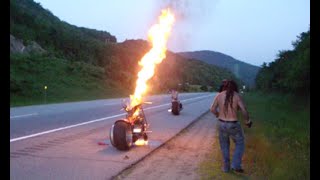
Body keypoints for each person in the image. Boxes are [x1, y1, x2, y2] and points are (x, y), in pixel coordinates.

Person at [210, 80, 252, 173]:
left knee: (224, 146)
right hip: (233, 124)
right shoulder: (236, 95)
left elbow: (212, 109)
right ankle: (236, 165)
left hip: (221, 124)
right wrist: (247, 121)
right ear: (234, 87)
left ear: (225, 87)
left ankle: (226, 168)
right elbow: (244, 110)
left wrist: (218, 115)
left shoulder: (219, 95)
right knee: (240, 143)